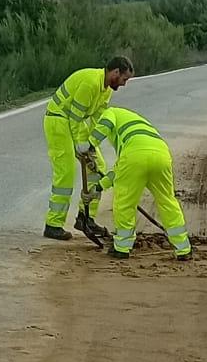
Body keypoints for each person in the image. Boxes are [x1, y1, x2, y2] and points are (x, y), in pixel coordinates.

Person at [42, 57, 134, 241]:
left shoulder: (106, 89)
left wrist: (92, 145)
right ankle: (53, 224)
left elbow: (99, 120)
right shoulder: (90, 83)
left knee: (97, 166)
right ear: (115, 72)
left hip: (73, 123)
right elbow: (75, 117)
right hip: (58, 121)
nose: (124, 84)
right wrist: (80, 145)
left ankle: (86, 217)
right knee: (66, 173)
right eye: (124, 79)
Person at [85, 106, 192, 260]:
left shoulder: (111, 112)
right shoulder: (137, 123)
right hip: (162, 155)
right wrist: (100, 187)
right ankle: (183, 248)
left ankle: (122, 248)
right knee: (167, 200)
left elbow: (106, 124)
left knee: (125, 202)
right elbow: (120, 170)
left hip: (135, 158)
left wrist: (89, 144)